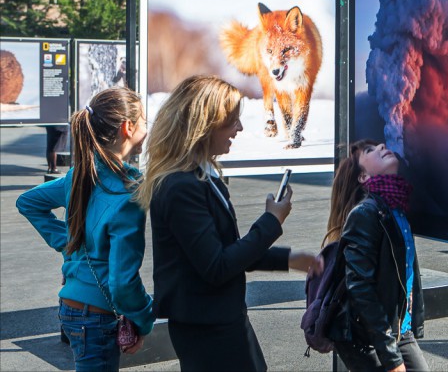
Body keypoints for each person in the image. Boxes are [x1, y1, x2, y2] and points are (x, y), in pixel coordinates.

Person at [134, 75, 323, 372]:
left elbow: (229, 253)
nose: (240, 128)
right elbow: (217, 266)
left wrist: (288, 258)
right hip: (206, 327)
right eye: (232, 121)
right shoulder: (181, 185)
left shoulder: (201, 176)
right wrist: (271, 221)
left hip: (219, 320)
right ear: (204, 125)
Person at [16, 88, 154, 371]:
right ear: (128, 128)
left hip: (71, 305)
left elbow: (28, 202)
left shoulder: (78, 174)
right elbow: (123, 283)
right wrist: (144, 318)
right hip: (98, 316)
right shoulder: (128, 193)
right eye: (144, 121)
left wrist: (69, 242)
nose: (146, 128)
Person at [325, 140, 429, 372]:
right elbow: (361, 288)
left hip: (398, 329)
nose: (382, 145)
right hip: (366, 338)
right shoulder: (366, 213)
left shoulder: (395, 208)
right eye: (370, 151)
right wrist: (392, 359)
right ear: (362, 177)